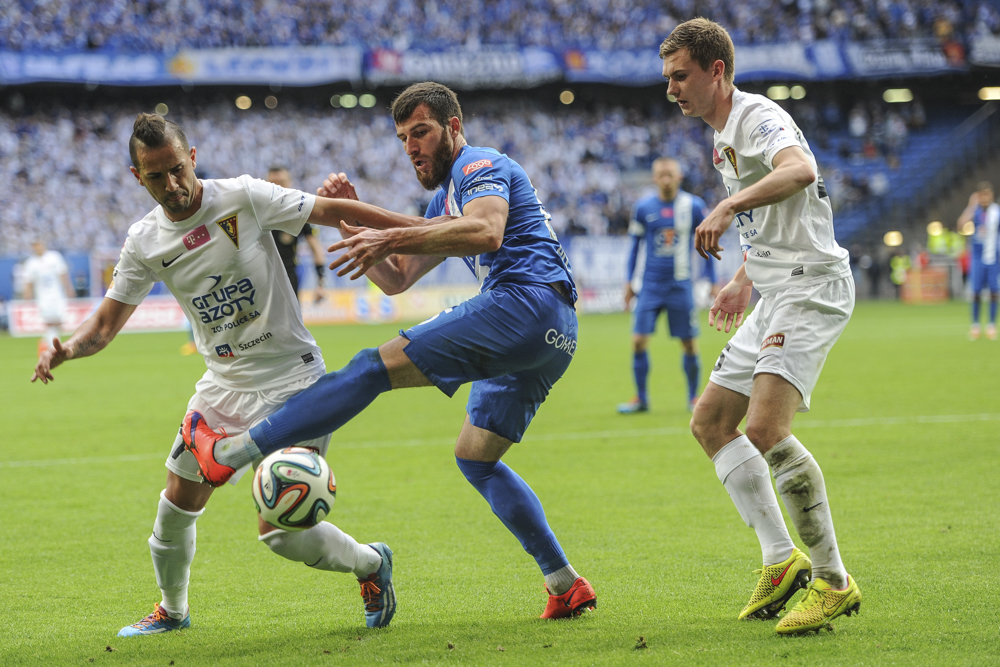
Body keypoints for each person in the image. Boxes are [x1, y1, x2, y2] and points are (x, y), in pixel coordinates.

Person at [181, 81, 597, 619]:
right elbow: (397, 278)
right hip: (554, 333)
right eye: (403, 138)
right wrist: (356, 223)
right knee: (476, 458)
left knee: (368, 367)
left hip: (524, 303)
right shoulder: (443, 198)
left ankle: (230, 453)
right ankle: (564, 582)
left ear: (453, 126)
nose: (411, 147)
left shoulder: (479, 164)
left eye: (421, 132)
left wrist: (390, 236)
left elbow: (488, 231)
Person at [32, 113, 397, 636]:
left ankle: (371, 563)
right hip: (222, 386)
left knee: (280, 532)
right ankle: (172, 611)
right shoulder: (144, 241)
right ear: (137, 177)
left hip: (292, 381)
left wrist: (417, 229)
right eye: (156, 176)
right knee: (173, 507)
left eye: (177, 169)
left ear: (193, 157)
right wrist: (66, 350)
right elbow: (107, 324)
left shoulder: (243, 196)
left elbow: (331, 209)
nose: (171, 184)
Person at [660, 19, 861, 635]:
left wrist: (726, 204)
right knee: (710, 422)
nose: (671, 89)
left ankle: (833, 582)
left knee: (766, 428)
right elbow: (775, 220)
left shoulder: (756, 116)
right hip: (774, 290)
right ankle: (780, 559)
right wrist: (743, 277)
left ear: (716, 70)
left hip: (811, 287)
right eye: (668, 78)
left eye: (681, 76)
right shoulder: (722, 136)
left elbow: (799, 170)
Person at [617, 157, 714, 414]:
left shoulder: (693, 206)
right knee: (638, 340)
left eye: (670, 174)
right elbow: (634, 247)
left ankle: (694, 398)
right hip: (650, 285)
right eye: (662, 175)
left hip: (680, 285)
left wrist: (712, 280)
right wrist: (629, 282)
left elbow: (707, 245)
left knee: (689, 343)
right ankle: (641, 398)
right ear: (655, 178)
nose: (666, 179)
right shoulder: (643, 208)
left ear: (679, 176)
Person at [267, 165, 329, 297]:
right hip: (260, 278)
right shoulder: (255, 212)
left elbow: (316, 247)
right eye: (273, 184)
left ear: (290, 183)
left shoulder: (298, 212)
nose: (278, 188)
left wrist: (321, 283)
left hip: (288, 278)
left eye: (282, 183)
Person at [956, 182, 1000, 340]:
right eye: (982, 195)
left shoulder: (996, 211)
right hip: (977, 258)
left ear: (992, 195)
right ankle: (975, 325)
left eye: (987, 194)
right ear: (978, 196)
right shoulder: (975, 210)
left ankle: (991, 325)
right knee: (976, 292)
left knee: (994, 292)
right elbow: (961, 225)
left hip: (994, 258)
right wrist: (970, 206)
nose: (985, 198)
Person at [22, 240, 74, 355]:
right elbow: (28, 281)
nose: (37, 248)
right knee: (49, 322)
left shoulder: (54, 257)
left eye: (38, 245)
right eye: (34, 246)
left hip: (57, 295)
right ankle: (53, 348)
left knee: (59, 322)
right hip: (43, 297)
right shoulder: (31, 263)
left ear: (43, 244)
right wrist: (27, 295)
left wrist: (68, 288)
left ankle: (45, 342)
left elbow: (63, 274)